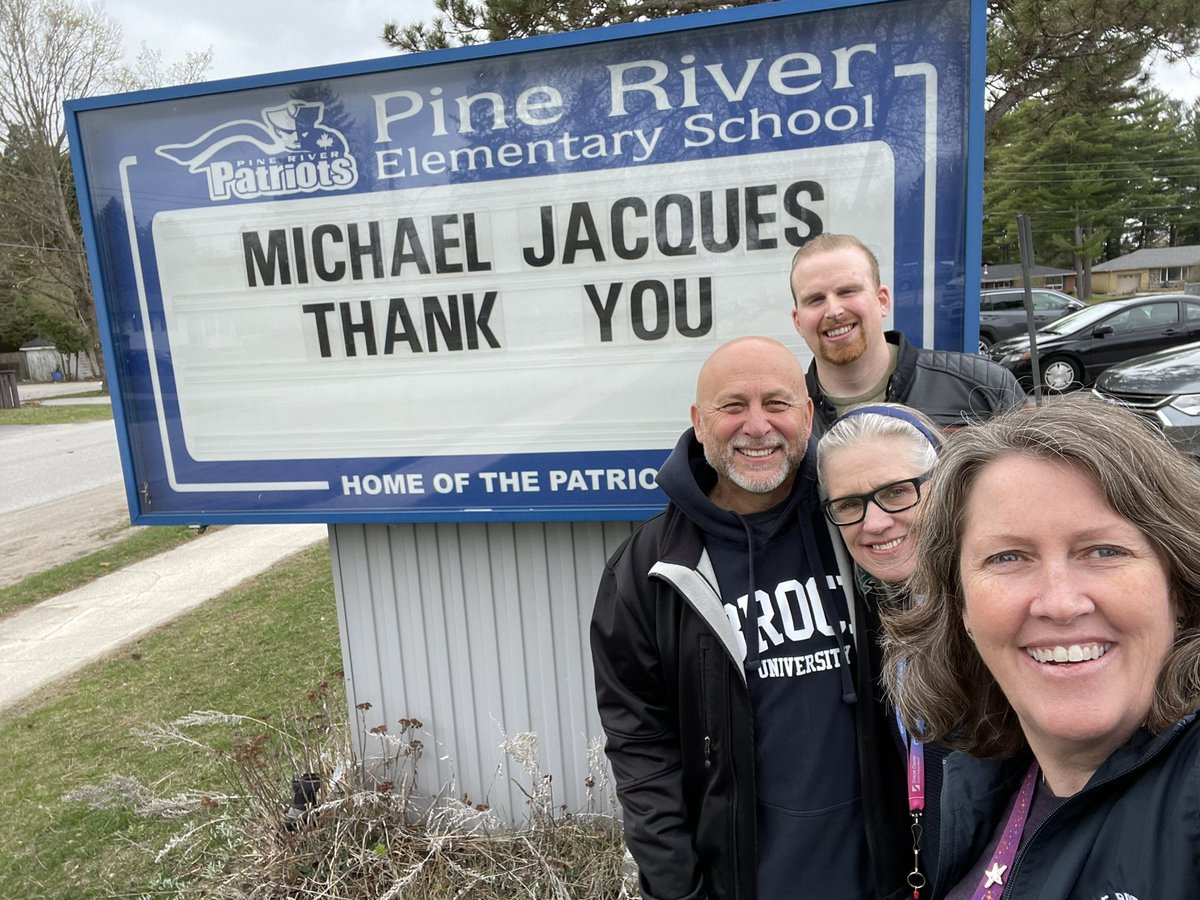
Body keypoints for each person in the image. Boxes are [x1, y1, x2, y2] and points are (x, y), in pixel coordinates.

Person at [591, 336, 910, 900]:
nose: (757, 426)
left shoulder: (859, 522)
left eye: (778, 404)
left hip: (888, 873)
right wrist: (677, 890)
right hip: (741, 882)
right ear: (698, 420)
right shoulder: (647, 572)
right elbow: (643, 753)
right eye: (732, 406)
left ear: (808, 414)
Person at [882, 396, 1200, 899]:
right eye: (1008, 557)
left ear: (1178, 585)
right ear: (959, 603)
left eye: (1104, 551)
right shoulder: (982, 775)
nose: (1059, 603)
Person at [816, 403, 946, 894]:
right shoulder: (879, 612)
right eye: (849, 504)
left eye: (896, 492)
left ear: (943, 482)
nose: (874, 523)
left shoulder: (998, 612)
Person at [789, 234, 1025, 434]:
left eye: (848, 291)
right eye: (816, 299)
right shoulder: (784, 419)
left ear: (882, 301)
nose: (834, 311)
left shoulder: (985, 387)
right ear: (798, 322)